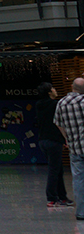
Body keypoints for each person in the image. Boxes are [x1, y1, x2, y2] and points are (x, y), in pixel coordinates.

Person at [34, 81, 69, 208]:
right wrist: (65, 138)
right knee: (54, 170)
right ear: (49, 92)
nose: (55, 90)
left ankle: (62, 196)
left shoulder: (39, 105)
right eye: (53, 88)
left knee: (58, 168)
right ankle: (52, 198)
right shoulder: (56, 105)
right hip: (54, 140)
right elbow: (60, 122)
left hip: (43, 140)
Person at [53, 77, 84, 219]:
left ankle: (81, 212)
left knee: (78, 180)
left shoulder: (62, 103)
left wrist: (67, 138)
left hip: (75, 148)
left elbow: (58, 123)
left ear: (72, 86)